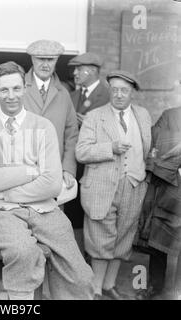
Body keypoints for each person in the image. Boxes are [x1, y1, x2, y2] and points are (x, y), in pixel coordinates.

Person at [0, 61, 94, 300]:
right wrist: (29, 170)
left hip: (44, 209)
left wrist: (6, 191)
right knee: (24, 253)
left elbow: (51, 183)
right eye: (4, 90)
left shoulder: (43, 127)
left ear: (24, 89)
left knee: (81, 276)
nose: (11, 96)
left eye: (16, 89)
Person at [76, 70, 151, 300]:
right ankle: (96, 290)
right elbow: (81, 152)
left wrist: (143, 176)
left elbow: (148, 148)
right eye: (115, 90)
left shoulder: (143, 115)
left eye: (124, 91)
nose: (119, 95)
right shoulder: (94, 116)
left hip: (134, 185)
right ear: (110, 90)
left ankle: (109, 285)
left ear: (132, 93)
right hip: (101, 187)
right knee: (101, 238)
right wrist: (110, 148)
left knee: (124, 238)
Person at [0, 40, 78, 193]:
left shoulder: (63, 94)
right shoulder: (14, 87)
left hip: (52, 173)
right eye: (40, 59)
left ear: (57, 60)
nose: (45, 64)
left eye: (50, 59)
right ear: (32, 59)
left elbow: (71, 134)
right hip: (17, 175)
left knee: (51, 215)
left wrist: (68, 168)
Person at [135, 106, 181, 300]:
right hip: (170, 185)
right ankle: (154, 285)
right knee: (158, 239)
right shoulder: (170, 115)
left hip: (171, 178)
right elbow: (155, 147)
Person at [64, 52, 110, 229]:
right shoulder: (72, 96)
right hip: (74, 164)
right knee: (72, 211)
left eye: (79, 69)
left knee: (94, 216)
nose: (75, 73)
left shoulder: (107, 96)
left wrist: (91, 123)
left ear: (91, 70)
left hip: (96, 167)